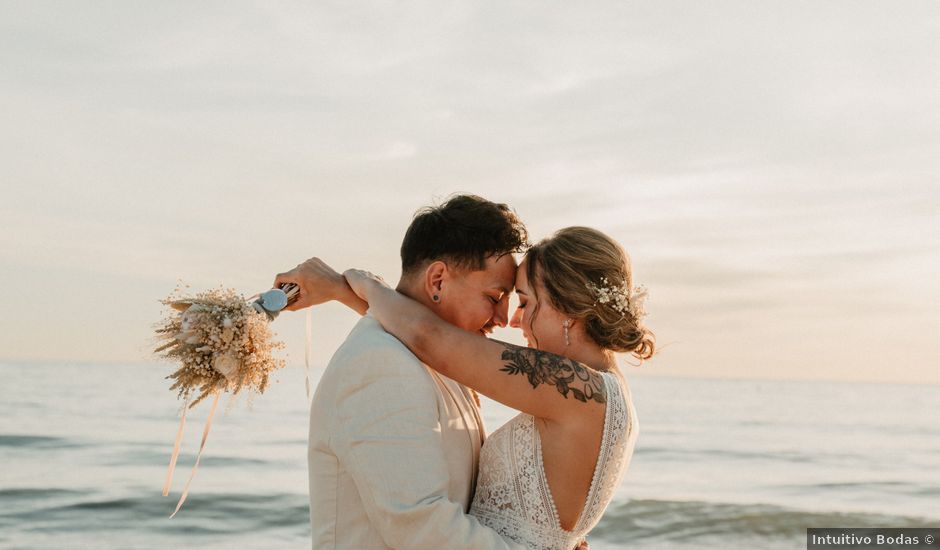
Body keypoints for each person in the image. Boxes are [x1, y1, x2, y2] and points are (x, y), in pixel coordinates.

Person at [290, 225, 654, 549]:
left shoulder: (577, 389)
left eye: (525, 302)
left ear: (568, 308)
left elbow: (431, 338)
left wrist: (356, 284)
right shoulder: (599, 392)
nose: (513, 319)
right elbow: (432, 342)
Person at [275, 195, 531, 549]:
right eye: (494, 297)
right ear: (438, 280)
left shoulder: (437, 361)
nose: (504, 319)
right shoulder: (380, 364)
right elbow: (423, 528)